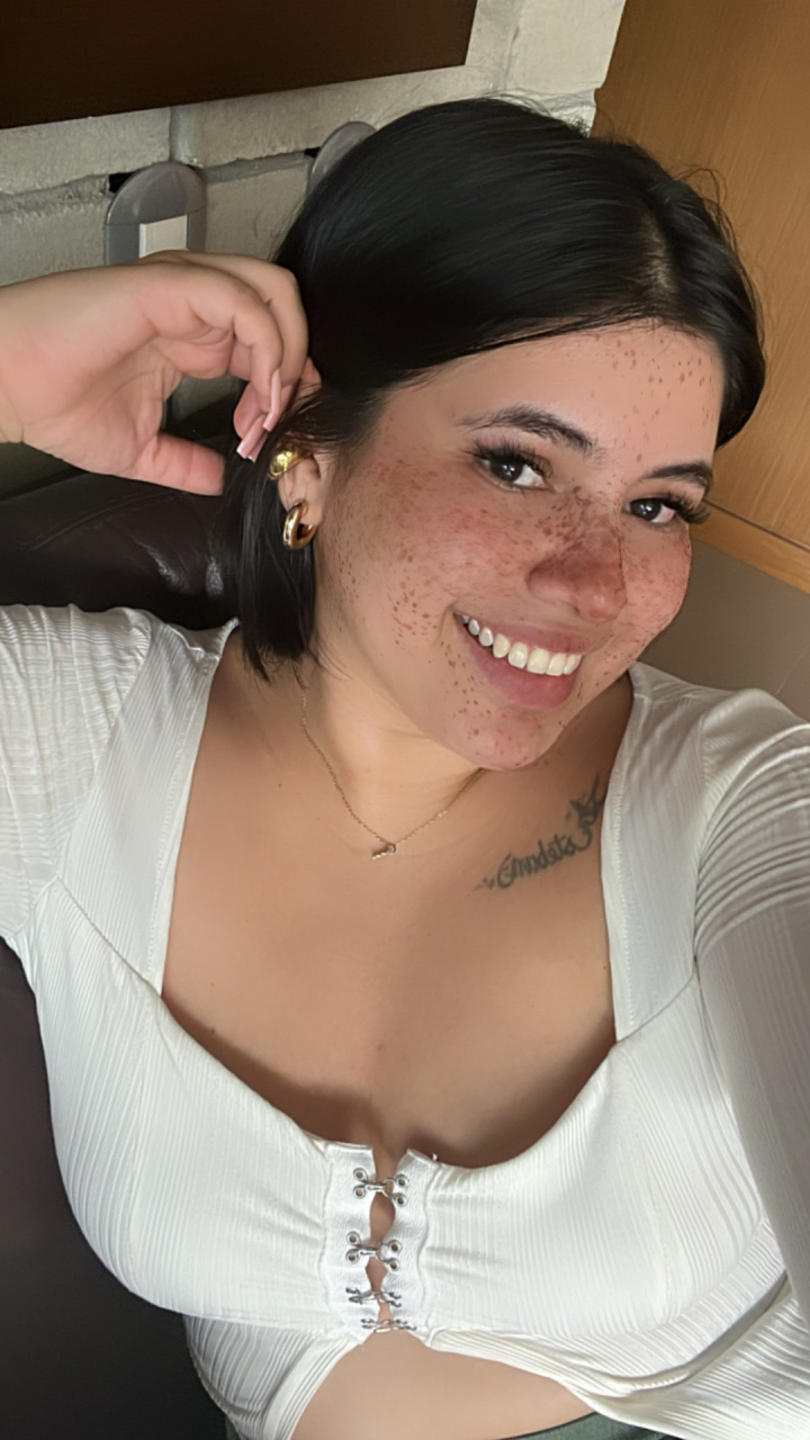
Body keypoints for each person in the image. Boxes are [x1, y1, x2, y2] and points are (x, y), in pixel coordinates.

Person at [0, 96, 808, 1440]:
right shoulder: (61, 739)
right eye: (516, 464)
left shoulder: (747, 807)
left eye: (657, 504)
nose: (596, 584)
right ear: (305, 451)